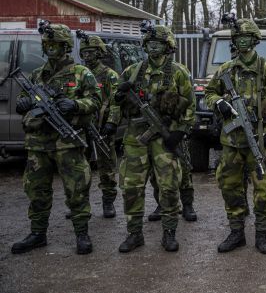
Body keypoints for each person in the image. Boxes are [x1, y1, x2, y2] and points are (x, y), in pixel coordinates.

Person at [11, 22, 100, 255]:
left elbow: (96, 102)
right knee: (36, 190)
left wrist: (76, 104)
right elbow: (23, 96)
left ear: (65, 47)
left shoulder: (81, 73)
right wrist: (24, 103)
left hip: (67, 143)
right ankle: (38, 233)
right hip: (38, 144)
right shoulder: (37, 74)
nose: (51, 48)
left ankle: (82, 234)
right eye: (47, 44)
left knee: (77, 189)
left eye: (55, 44)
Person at [204, 18, 266, 254]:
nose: (242, 41)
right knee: (229, 187)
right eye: (238, 38)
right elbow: (210, 92)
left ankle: (262, 234)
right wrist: (219, 102)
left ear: (254, 40)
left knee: (264, 189)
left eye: (246, 38)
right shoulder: (226, 70)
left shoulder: (265, 69)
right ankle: (237, 232)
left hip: (258, 141)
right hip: (231, 142)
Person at [115, 23, 194, 253]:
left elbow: (190, 106)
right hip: (136, 138)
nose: (153, 47)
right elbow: (115, 102)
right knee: (132, 188)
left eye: (158, 43)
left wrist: (180, 132)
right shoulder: (133, 71)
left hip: (165, 139)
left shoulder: (178, 72)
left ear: (167, 46)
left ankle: (169, 233)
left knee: (168, 187)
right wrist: (120, 95)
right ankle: (134, 234)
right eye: (149, 43)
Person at [76, 32, 121, 219]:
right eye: (85, 52)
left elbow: (115, 102)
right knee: (79, 168)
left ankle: (108, 202)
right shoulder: (78, 73)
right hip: (80, 128)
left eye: (92, 52)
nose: (88, 55)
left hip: (102, 129)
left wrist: (111, 123)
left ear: (100, 53)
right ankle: (79, 204)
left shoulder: (109, 75)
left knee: (106, 167)